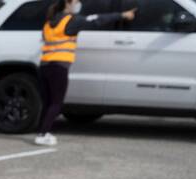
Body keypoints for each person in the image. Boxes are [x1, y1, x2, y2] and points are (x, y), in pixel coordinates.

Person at [33, 0, 135, 146]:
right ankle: (43, 134)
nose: (78, 3)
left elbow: (47, 39)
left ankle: (42, 131)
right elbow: (98, 20)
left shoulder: (49, 23)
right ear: (68, 3)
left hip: (44, 66)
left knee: (48, 102)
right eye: (76, 1)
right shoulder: (72, 20)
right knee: (56, 103)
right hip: (59, 66)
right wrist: (122, 15)